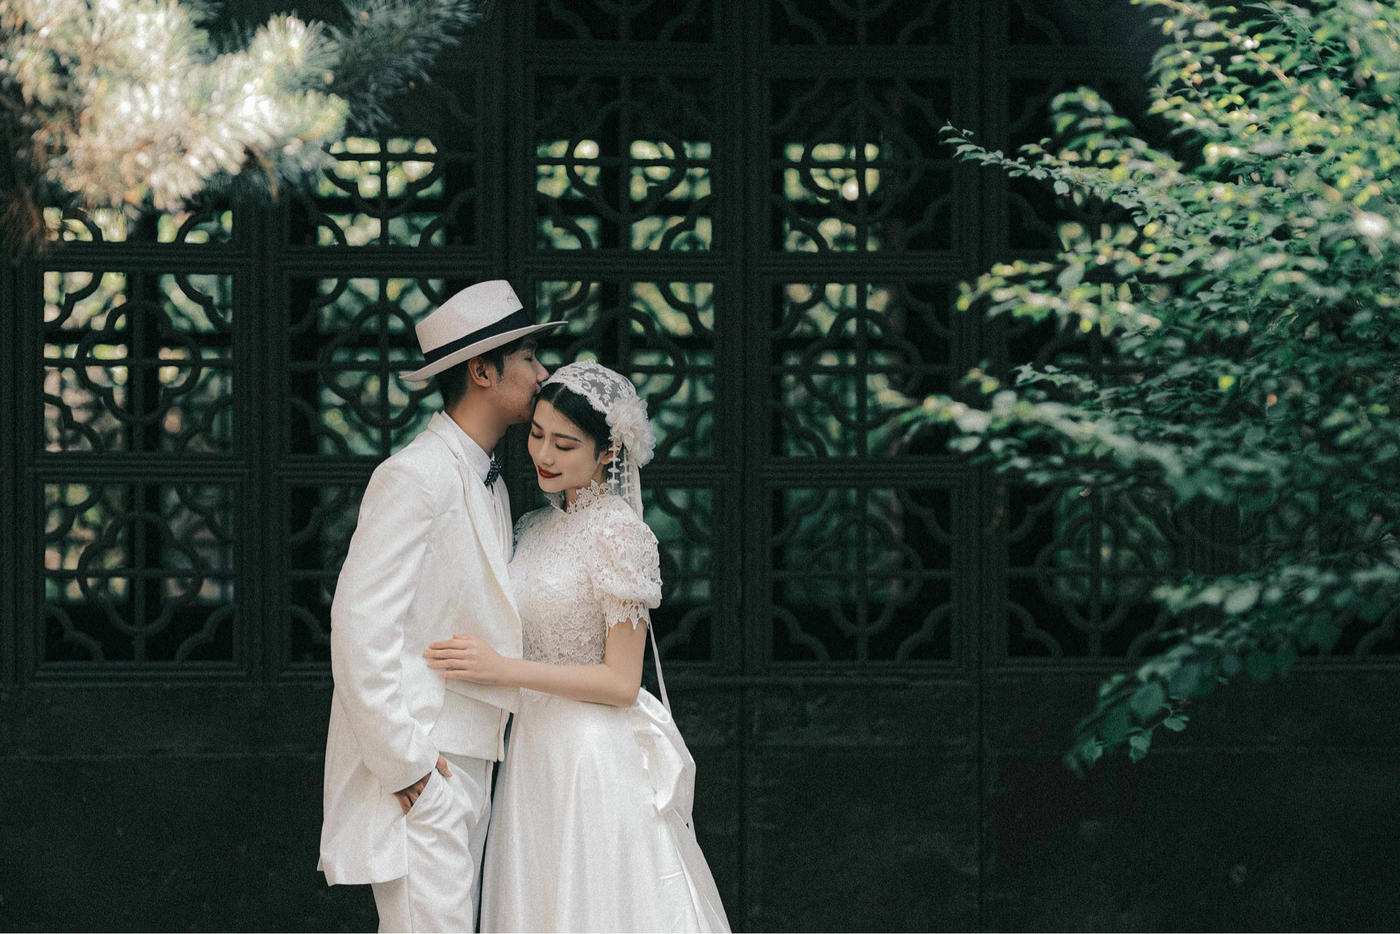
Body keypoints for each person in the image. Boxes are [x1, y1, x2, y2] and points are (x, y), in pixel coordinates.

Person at [423, 360, 731, 933]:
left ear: (609, 452)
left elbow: (621, 683)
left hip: (592, 756)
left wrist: (505, 670)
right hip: (533, 751)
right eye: (537, 434)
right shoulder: (532, 528)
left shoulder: (620, 534)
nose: (543, 454)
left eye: (564, 444)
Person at [317, 279, 563, 933]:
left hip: (475, 754)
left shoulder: (489, 480)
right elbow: (359, 625)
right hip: (425, 758)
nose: (543, 373)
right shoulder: (415, 475)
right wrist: (409, 767)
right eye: (528, 358)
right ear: (482, 371)